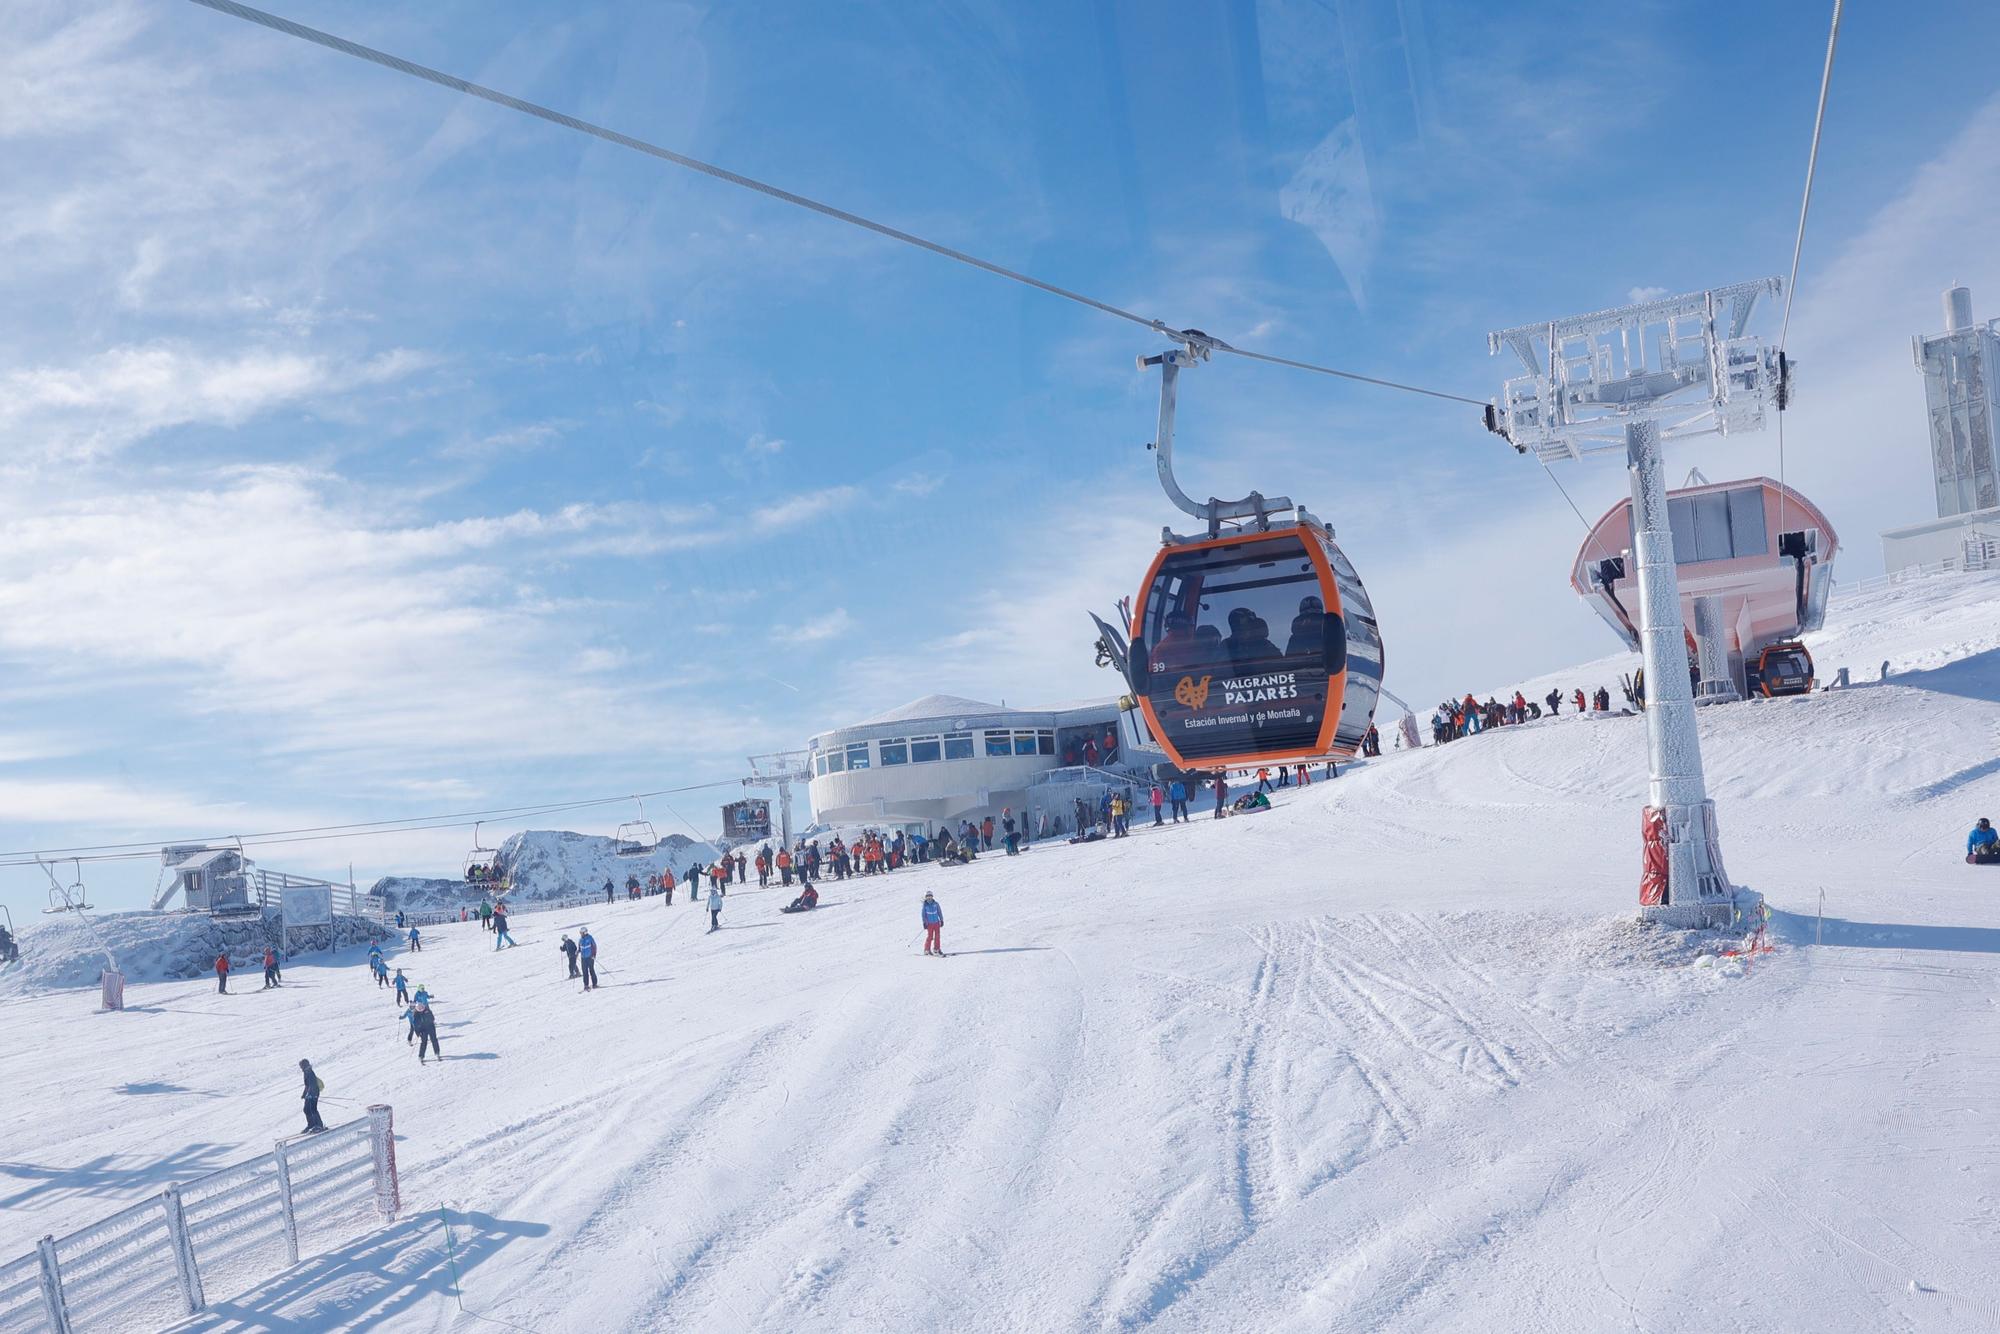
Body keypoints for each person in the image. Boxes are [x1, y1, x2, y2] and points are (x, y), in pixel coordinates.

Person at [299, 1059, 326, 1133]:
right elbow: (307, 1085)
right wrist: (304, 1094)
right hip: (310, 1094)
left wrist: (310, 1094)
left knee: (312, 1109)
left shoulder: (309, 1072)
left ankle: (319, 1125)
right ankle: (311, 1125)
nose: (301, 1068)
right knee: (306, 1109)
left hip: (313, 1093)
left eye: (301, 1066)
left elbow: (312, 1084)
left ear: (305, 1065)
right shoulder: (306, 1072)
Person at [921, 891, 944, 956]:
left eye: (930, 896)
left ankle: (936, 949)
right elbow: (923, 915)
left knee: (937, 936)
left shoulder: (936, 904)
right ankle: (927, 950)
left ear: (932, 896)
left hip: (936, 923)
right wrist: (924, 923)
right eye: (927, 896)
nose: (929, 898)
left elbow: (939, 912)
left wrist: (941, 920)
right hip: (929, 924)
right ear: (926, 898)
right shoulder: (925, 906)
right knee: (930, 937)